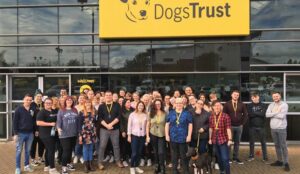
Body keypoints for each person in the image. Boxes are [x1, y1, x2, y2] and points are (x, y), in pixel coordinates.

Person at [97, 91, 124, 170]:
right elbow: (99, 118)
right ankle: (100, 162)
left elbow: (119, 116)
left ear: (112, 96)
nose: (108, 96)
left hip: (115, 129)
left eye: (110, 95)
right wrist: (107, 125)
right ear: (104, 96)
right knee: (102, 146)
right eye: (107, 95)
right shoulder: (101, 106)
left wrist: (111, 124)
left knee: (116, 146)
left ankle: (118, 161)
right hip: (104, 129)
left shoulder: (117, 105)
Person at [165, 97, 193, 174]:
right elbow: (167, 124)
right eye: (177, 103)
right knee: (174, 155)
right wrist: (167, 135)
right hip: (173, 137)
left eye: (180, 103)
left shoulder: (187, 113)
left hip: (183, 137)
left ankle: (186, 170)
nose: (179, 104)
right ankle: (175, 170)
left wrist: (189, 136)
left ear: (183, 104)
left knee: (183, 155)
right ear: (175, 104)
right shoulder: (171, 113)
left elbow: (190, 125)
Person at [266, 92, 290, 172]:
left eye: (277, 96)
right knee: (277, 145)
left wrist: (272, 113)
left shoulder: (284, 105)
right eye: (274, 96)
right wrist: (277, 112)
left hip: (281, 128)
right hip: (273, 128)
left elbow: (282, 116)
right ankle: (280, 161)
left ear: (280, 97)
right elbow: (267, 115)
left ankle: (286, 163)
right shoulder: (271, 105)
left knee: (283, 145)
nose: (275, 97)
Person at [223, 90, 248, 164]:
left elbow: (245, 114)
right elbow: (224, 115)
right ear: (231, 95)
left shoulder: (242, 104)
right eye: (234, 94)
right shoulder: (227, 104)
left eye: (237, 95)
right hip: (229, 126)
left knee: (237, 142)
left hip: (239, 126)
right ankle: (228, 158)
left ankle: (235, 157)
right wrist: (226, 124)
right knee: (229, 142)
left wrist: (242, 123)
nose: (236, 96)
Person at [57, 96, 80, 174]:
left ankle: (69, 163)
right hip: (64, 134)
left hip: (73, 134)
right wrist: (59, 128)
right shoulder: (61, 110)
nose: (69, 101)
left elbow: (77, 122)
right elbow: (59, 121)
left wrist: (78, 132)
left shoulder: (75, 110)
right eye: (68, 100)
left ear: (72, 102)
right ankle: (63, 168)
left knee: (70, 150)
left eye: (70, 100)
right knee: (66, 150)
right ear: (65, 101)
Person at [36, 98, 60, 174]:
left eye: (50, 103)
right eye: (47, 103)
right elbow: (38, 123)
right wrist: (50, 124)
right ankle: (52, 169)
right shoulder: (42, 112)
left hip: (52, 134)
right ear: (44, 104)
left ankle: (47, 166)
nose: (48, 104)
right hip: (45, 134)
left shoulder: (53, 111)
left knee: (48, 150)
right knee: (51, 150)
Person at [209, 100, 232, 174]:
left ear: (221, 107)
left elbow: (228, 128)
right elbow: (211, 128)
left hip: (223, 140)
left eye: (218, 105)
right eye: (215, 106)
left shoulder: (225, 116)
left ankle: (228, 172)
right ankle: (222, 171)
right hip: (214, 140)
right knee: (219, 158)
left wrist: (230, 139)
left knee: (225, 158)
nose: (217, 107)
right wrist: (209, 138)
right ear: (213, 107)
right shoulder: (211, 117)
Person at [13, 94, 35, 174]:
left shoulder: (32, 109)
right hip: (20, 134)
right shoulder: (18, 109)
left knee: (28, 151)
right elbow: (15, 122)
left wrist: (35, 131)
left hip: (30, 134)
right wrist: (15, 134)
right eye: (27, 99)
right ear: (23, 100)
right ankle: (18, 168)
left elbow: (34, 121)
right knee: (19, 151)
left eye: (30, 100)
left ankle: (26, 166)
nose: (28, 101)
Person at [127, 101, 150, 174]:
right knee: (134, 153)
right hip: (134, 136)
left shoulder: (145, 115)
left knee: (139, 152)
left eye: (142, 106)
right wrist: (129, 135)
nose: (141, 107)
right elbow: (129, 125)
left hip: (142, 136)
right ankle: (132, 167)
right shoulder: (132, 114)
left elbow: (147, 127)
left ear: (143, 107)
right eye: (139, 105)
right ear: (137, 106)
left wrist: (147, 136)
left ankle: (136, 166)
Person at [247, 93, 268, 162]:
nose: (255, 99)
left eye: (256, 97)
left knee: (263, 142)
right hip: (252, 127)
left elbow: (263, 114)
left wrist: (254, 113)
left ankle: (265, 157)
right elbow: (250, 114)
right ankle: (251, 156)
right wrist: (259, 112)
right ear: (251, 98)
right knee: (251, 143)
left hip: (261, 126)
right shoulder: (249, 105)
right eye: (253, 97)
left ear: (258, 97)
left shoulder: (263, 105)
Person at [147, 99, 167, 174]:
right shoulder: (150, 113)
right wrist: (147, 136)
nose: (158, 105)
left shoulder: (165, 113)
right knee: (155, 151)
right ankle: (157, 166)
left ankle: (162, 167)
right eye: (156, 104)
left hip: (162, 134)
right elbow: (148, 125)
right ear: (154, 105)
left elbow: (167, 125)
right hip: (153, 134)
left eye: (159, 104)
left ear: (161, 105)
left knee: (161, 152)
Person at [78, 99, 97, 173]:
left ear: (91, 104)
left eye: (89, 103)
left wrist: (95, 132)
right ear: (84, 104)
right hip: (84, 133)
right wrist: (80, 135)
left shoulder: (93, 112)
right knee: (85, 149)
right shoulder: (81, 112)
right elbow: (79, 125)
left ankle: (90, 164)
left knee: (91, 149)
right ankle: (86, 165)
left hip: (92, 133)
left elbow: (95, 122)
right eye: (87, 103)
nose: (88, 104)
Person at [30, 89, 45, 166]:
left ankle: (40, 157)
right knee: (33, 144)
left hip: (42, 128)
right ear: (35, 97)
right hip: (34, 129)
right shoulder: (32, 105)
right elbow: (31, 119)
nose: (39, 98)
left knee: (42, 143)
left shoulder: (43, 104)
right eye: (38, 96)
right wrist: (36, 130)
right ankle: (32, 159)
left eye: (40, 96)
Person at [120, 99, 134, 167]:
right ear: (124, 104)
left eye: (129, 102)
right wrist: (122, 131)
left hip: (133, 131)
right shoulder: (122, 111)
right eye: (127, 102)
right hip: (125, 131)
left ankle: (131, 157)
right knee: (124, 146)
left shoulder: (133, 110)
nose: (129, 104)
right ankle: (124, 159)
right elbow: (121, 122)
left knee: (131, 146)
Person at [74, 94, 86, 164]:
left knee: (83, 143)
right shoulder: (75, 107)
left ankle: (81, 156)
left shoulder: (86, 107)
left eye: (83, 98)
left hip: (85, 128)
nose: (81, 99)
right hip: (76, 127)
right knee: (78, 143)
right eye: (80, 98)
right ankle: (77, 155)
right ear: (78, 99)